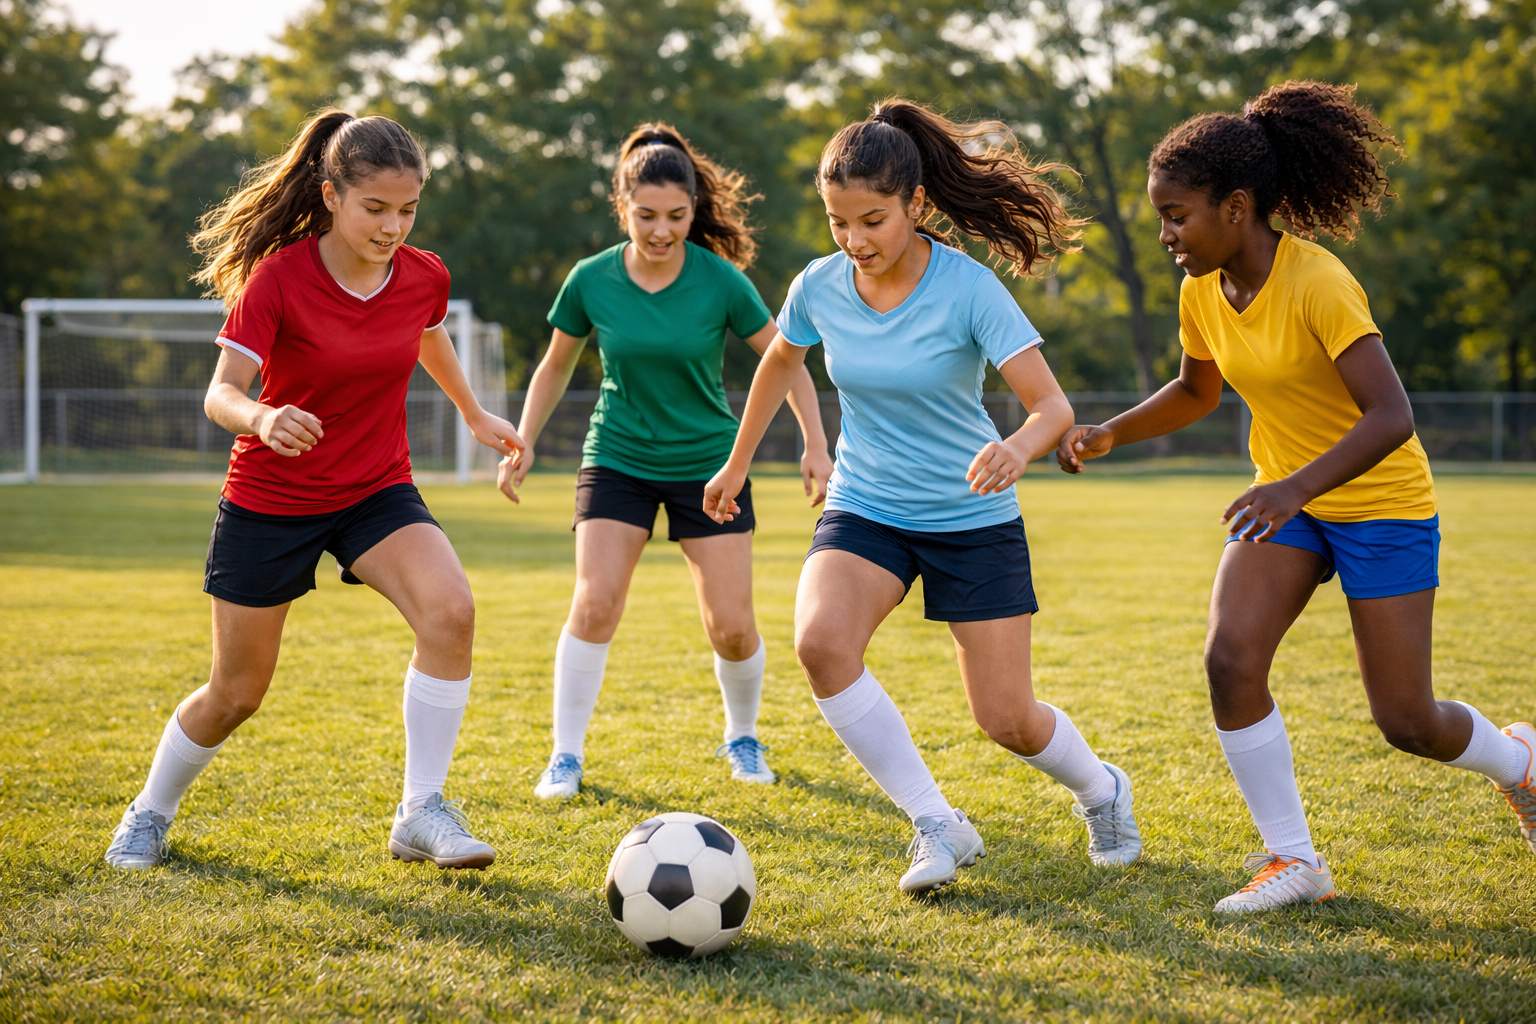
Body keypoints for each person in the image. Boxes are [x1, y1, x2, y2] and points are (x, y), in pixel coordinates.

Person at [1057, 80, 1535, 912]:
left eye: (1178, 215)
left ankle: (1523, 764)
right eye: (1161, 218)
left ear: (1237, 207)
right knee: (1230, 658)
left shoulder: (1319, 282)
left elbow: (1392, 416)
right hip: (1288, 503)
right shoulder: (1202, 288)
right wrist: (1110, 433)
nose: (1166, 234)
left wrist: (1293, 486)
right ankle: (1295, 860)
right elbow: (1195, 391)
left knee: (1408, 722)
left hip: (1377, 500)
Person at [703, 100, 1143, 896]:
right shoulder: (820, 285)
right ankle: (936, 822)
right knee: (822, 645)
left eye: (872, 220)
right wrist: (740, 463)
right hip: (867, 506)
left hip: (970, 519)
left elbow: (1053, 409)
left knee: (1006, 719)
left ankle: (1103, 791)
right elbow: (778, 363)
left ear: (915, 205)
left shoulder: (969, 290)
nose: (854, 241)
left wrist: (1015, 448)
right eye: (838, 222)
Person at [104, 110, 524, 871]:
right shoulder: (280, 279)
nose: (393, 226)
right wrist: (262, 416)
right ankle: (148, 812)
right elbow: (221, 392)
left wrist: (473, 412)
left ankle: (420, 811)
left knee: (452, 611)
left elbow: (427, 330)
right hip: (273, 499)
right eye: (375, 209)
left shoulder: (425, 274)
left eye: (408, 210)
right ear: (331, 195)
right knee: (236, 692)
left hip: (375, 488)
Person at [498, 123, 833, 799]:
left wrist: (816, 442)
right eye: (646, 216)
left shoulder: (720, 281)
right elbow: (555, 364)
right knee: (594, 605)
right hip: (617, 455)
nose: (661, 231)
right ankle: (564, 755)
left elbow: (787, 360)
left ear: (693, 212)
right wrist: (525, 438)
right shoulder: (590, 280)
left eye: (676, 216)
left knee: (733, 627)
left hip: (709, 464)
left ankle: (742, 737)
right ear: (622, 206)